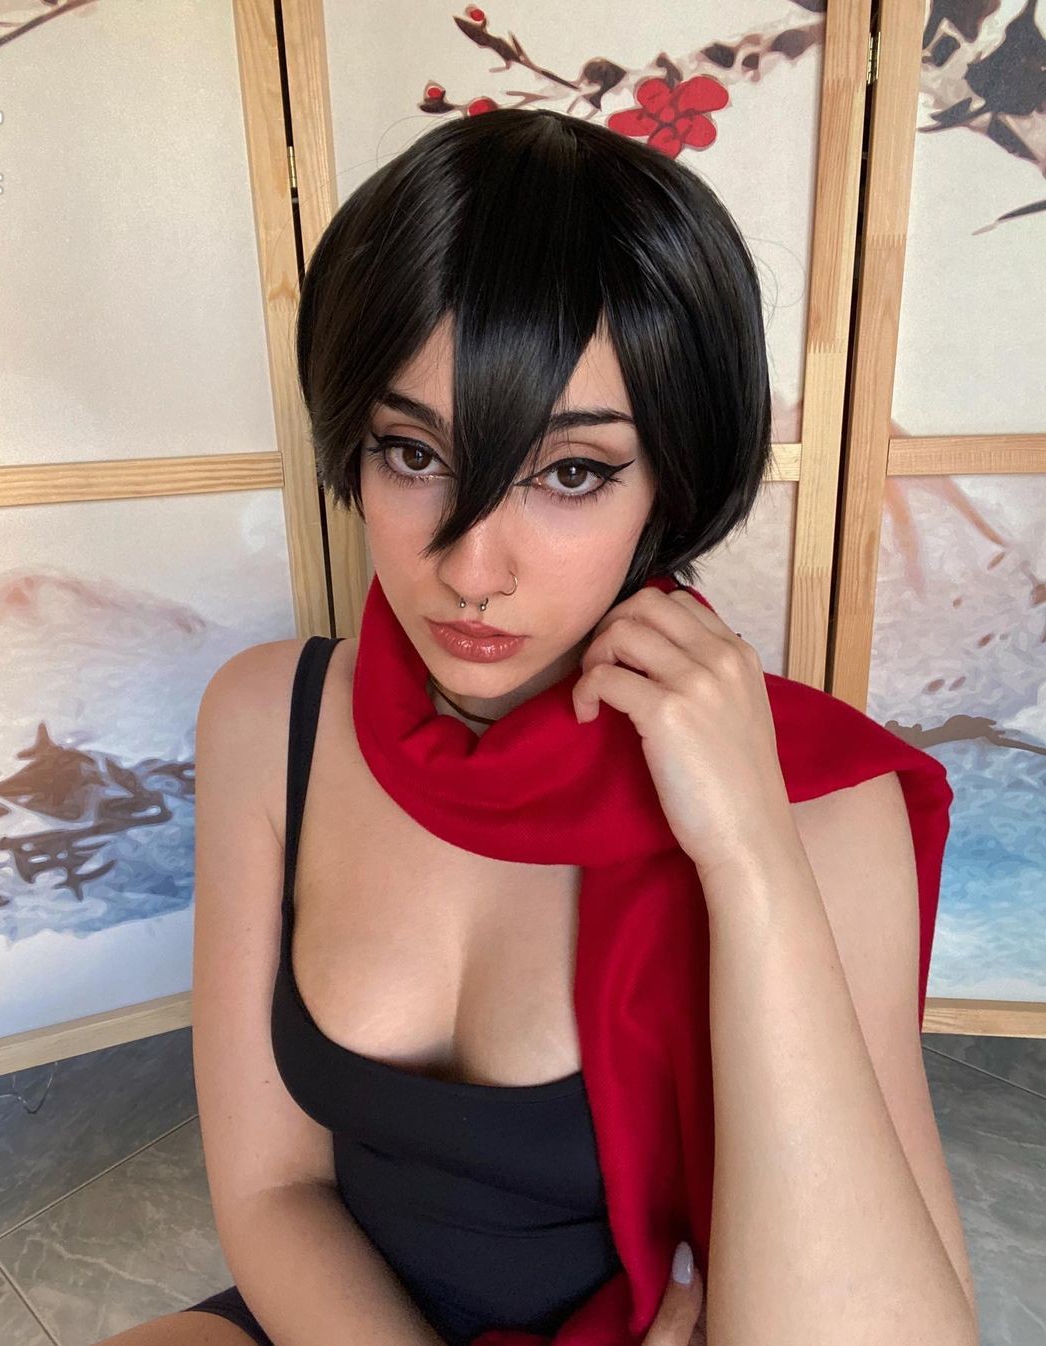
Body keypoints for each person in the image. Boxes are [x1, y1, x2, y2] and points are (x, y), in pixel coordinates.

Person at [93, 107, 975, 1346]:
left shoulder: (819, 798)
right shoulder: (266, 718)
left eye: (570, 472)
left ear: (670, 478)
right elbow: (272, 1188)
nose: (471, 567)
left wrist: (750, 855)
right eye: (414, 452)